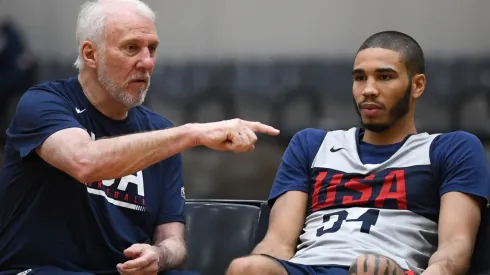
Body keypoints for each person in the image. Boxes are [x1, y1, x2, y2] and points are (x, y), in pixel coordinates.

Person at [0, 0, 279, 274]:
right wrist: (192, 133)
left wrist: (159, 255)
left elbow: (174, 242)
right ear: (90, 54)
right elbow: (83, 161)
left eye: (152, 48)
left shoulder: (161, 131)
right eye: (131, 48)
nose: (146, 62)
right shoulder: (43, 103)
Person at [226, 30, 490, 275]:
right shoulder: (311, 145)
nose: (369, 89)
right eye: (360, 77)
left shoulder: (451, 149)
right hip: (308, 267)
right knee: (245, 267)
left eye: (385, 77)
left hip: (389, 269)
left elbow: (453, 253)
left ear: (417, 85)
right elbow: (277, 243)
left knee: (369, 268)